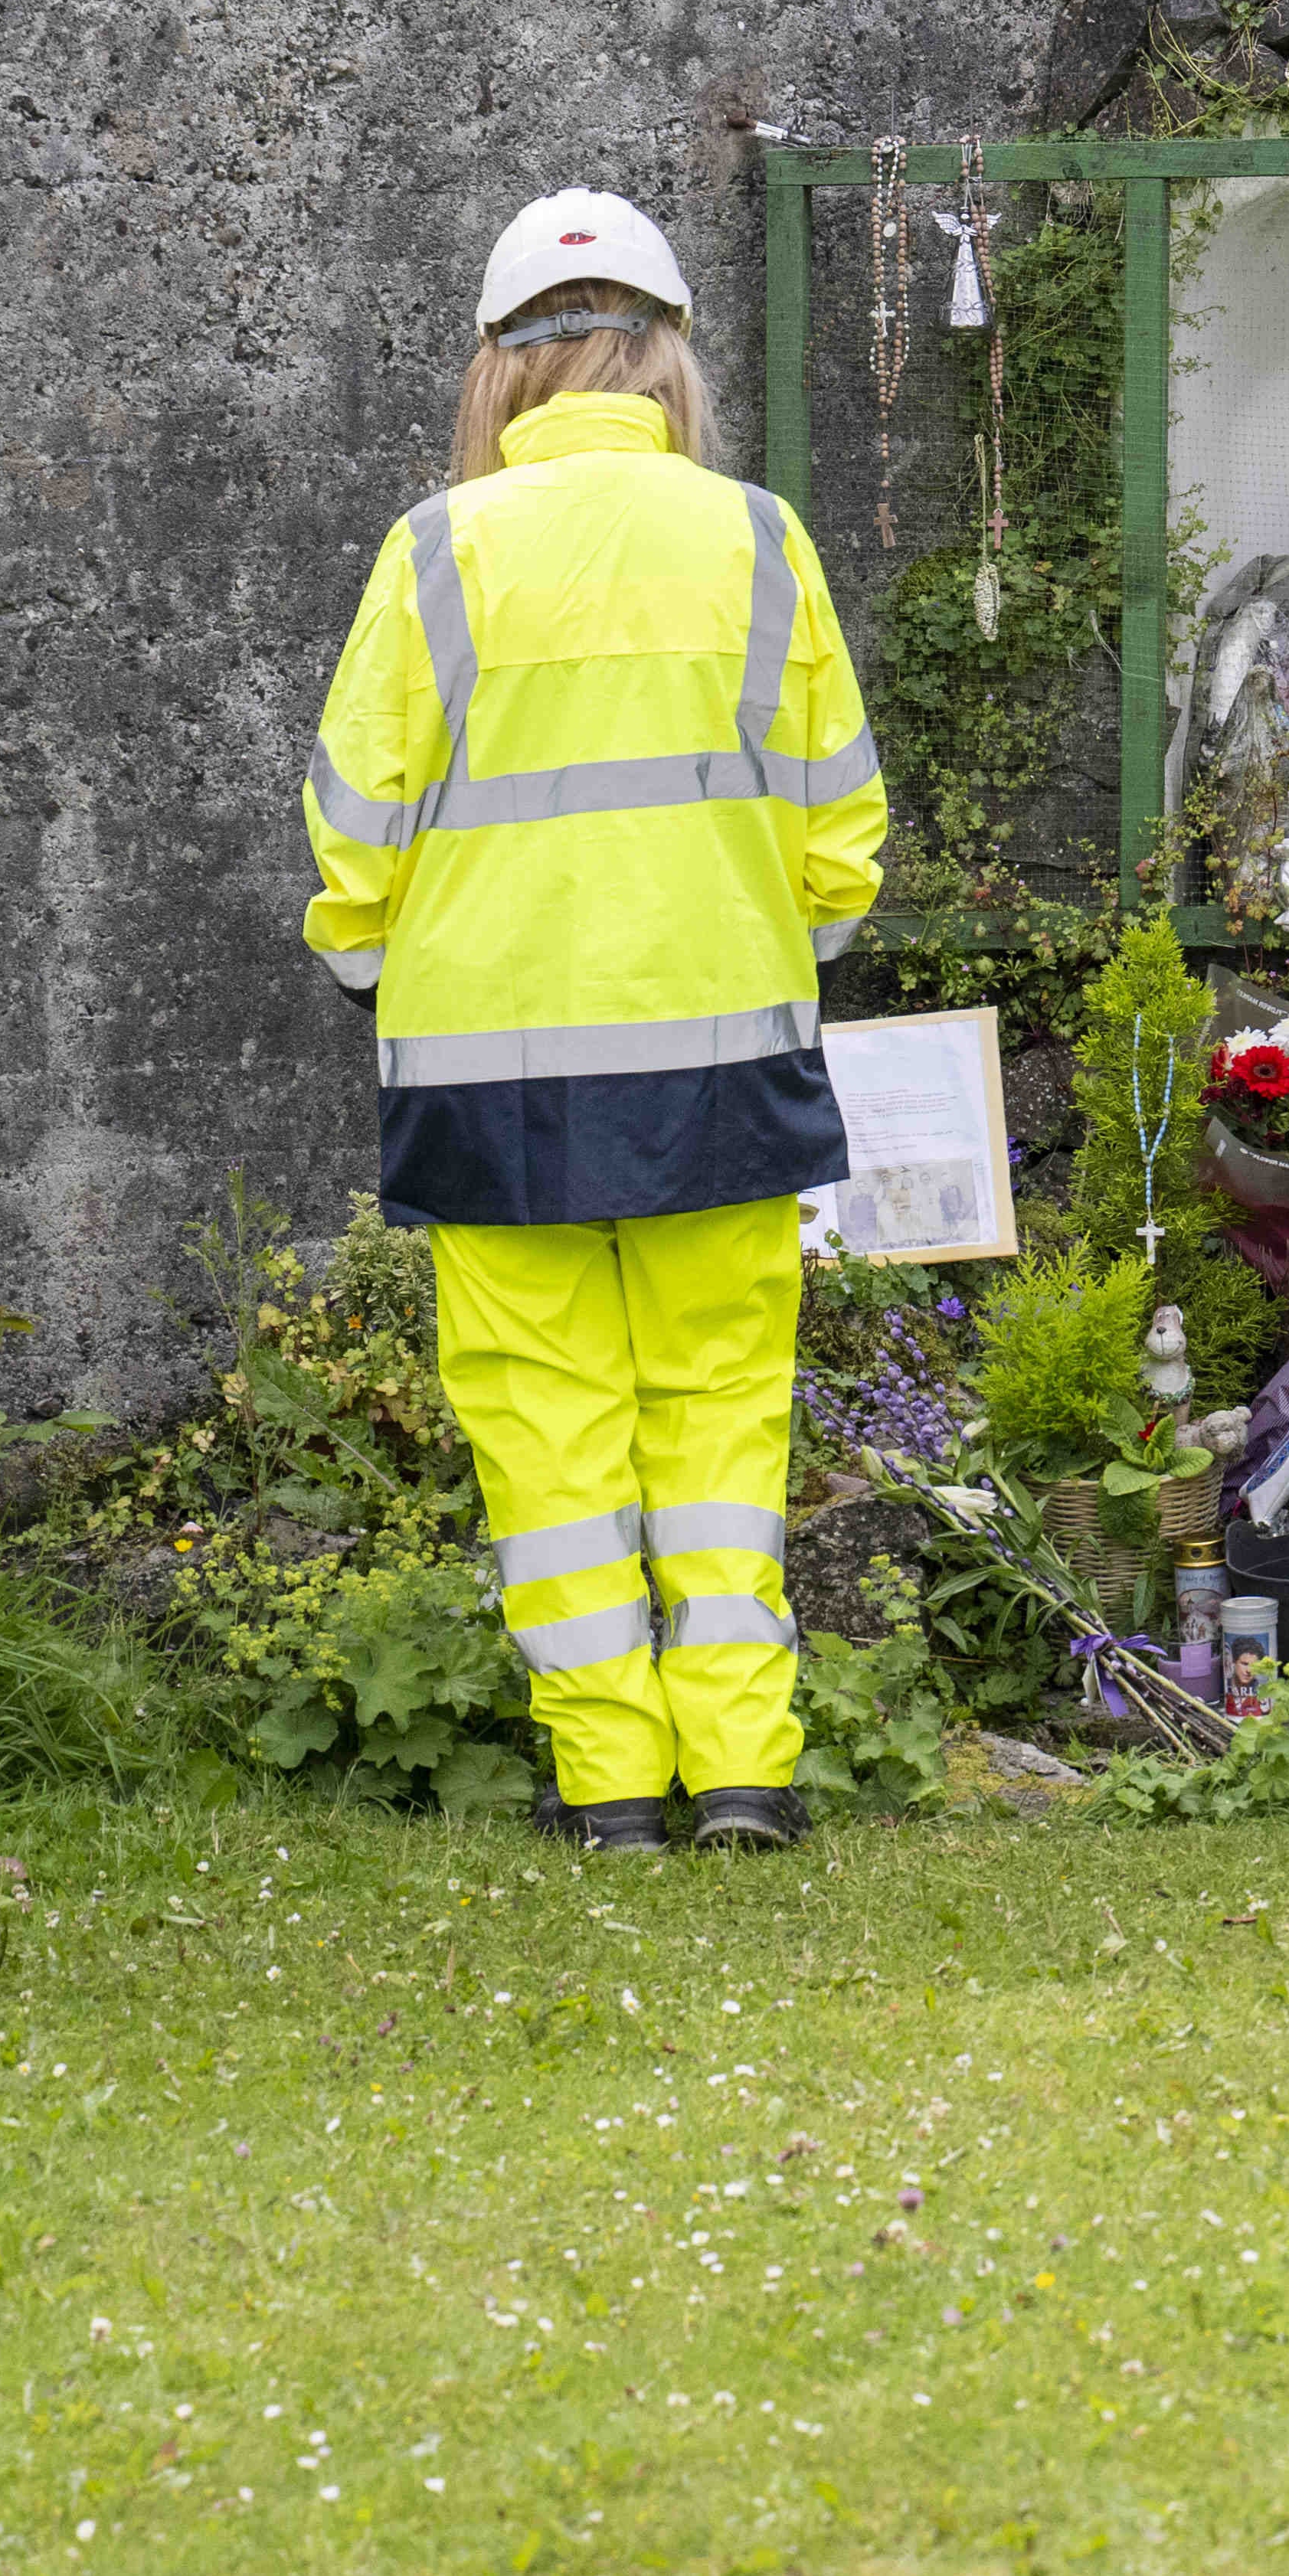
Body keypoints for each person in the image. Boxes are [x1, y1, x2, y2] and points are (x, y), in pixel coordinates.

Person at [296, 189, 885, 1852]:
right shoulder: (762, 539)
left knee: (548, 1435)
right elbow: (841, 835)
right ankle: (746, 1774)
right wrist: (760, 950)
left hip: (491, 1074)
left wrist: (386, 977)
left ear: (499, 368)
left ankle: (613, 1788)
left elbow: (353, 830)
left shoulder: (433, 553)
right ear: (669, 355)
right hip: (723, 1052)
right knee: (718, 1414)